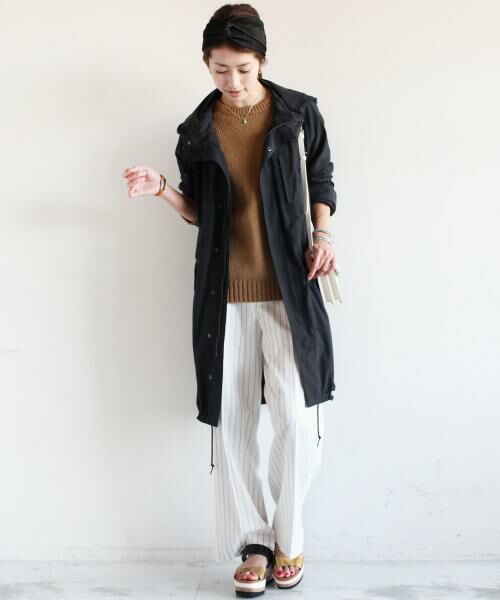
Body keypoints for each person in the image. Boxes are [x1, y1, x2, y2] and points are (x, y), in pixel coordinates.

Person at [122, 3, 337, 596]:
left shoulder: (298, 114)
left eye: (243, 68)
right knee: (236, 422)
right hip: (226, 296)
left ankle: (289, 535)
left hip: (290, 289)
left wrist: (322, 236)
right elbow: (200, 212)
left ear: (261, 60)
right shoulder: (196, 130)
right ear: (205, 63)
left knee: (297, 418)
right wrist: (162, 190)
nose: (233, 81)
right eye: (220, 69)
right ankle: (254, 542)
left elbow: (321, 179)